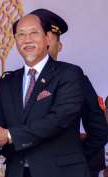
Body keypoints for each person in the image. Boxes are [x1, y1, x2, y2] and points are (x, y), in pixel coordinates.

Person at [0, 11, 92, 177]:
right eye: (21, 35)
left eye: (34, 33)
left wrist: (8, 136)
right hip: (17, 172)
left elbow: (59, 119)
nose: (27, 40)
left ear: (47, 38)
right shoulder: (5, 83)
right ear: (16, 41)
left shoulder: (69, 74)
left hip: (61, 172)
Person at [29, 9, 108, 177]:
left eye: (48, 39)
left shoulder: (75, 78)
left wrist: (72, 161)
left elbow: (99, 131)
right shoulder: (14, 81)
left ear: (60, 45)